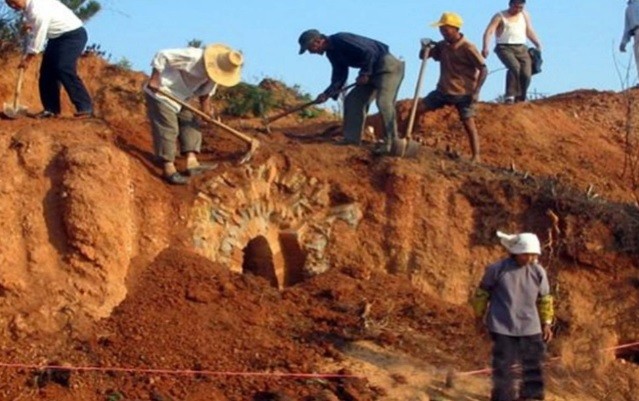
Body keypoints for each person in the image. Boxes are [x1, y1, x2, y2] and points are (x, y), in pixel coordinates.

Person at [471, 231, 554, 401]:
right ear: (516, 252)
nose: (530, 258)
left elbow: (545, 299)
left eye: (533, 255)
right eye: (526, 255)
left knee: (532, 366)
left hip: (530, 327)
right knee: (504, 367)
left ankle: (531, 397)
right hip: (502, 326)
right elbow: (482, 293)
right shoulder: (497, 269)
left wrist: (546, 323)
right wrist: (478, 317)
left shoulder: (538, 272)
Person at [144, 44, 243, 185]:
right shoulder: (194, 56)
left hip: (182, 97)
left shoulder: (217, 73)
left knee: (190, 123)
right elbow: (162, 54)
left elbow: (206, 92)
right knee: (168, 128)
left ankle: (192, 162)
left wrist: (206, 110)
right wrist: (155, 78)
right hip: (162, 91)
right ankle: (168, 168)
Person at [297, 29, 405, 155]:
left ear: (318, 41)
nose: (311, 52)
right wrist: (327, 94)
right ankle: (351, 139)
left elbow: (369, 52)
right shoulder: (332, 54)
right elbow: (339, 76)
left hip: (387, 67)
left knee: (384, 102)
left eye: (310, 48)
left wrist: (365, 73)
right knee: (352, 100)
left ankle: (392, 142)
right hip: (371, 73)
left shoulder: (341, 39)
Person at [5, 0, 93, 118]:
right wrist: (28, 27)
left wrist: (28, 59)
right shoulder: (28, 8)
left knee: (63, 67)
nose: (12, 6)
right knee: (47, 72)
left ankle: (85, 107)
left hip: (73, 35)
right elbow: (33, 28)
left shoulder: (38, 9)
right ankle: (51, 110)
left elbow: (38, 39)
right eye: (9, 4)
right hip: (56, 38)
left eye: (13, 2)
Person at [419, 12, 487, 162]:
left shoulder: (468, 47)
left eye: (445, 29)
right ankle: (405, 138)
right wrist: (425, 48)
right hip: (443, 90)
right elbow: (424, 56)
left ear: (455, 29)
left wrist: (476, 91)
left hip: (464, 92)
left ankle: (476, 156)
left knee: (468, 122)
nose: (442, 32)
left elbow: (483, 68)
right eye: (441, 29)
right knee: (418, 109)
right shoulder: (442, 45)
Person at [482, 0, 542, 104]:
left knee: (526, 73)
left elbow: (529, 30)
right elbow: (489, 31)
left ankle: (521, 97)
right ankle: (509, 96)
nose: (518, 10)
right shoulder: (500, 16)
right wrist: (485, 47)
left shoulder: (525, 15)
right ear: (510, 5)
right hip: (504, 47)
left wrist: (537, 43)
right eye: (516, 7)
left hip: (522, 47)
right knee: (514, 67)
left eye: (521, 7)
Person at [620, 0, 639, 86]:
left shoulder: (629, 9)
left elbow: (626, 29)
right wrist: (623, 42)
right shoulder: (628, 9)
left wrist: (623, 43)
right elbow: (627, 28)